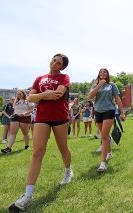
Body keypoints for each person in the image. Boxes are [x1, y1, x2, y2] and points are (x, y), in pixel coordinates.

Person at [9, 54, 73, 211]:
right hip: (41, 118)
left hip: (60, 117)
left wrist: (40, 96)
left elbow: (58, 94)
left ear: (62, 67)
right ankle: (28, 195)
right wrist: (44, 95)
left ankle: (67, 171)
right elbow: (31, 97)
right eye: (54, 60)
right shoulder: (39, 78)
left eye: (58, 62)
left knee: (62, 147)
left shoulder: (64, 77)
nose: (54, 63)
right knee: (37, 152)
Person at [88, 68, 125, 173]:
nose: (103, 73)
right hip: (98, 111)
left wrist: (122, 112)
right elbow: (90, 97)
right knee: (105, 134)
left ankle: (103, 163)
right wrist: (99, 85)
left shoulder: (112, 85)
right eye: (101, 72)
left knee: (104, 135)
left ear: (107, 74)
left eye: (105, 72)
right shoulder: (95, 85)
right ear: (98, 74)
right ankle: (109, 152)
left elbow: (117, 99)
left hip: (109, 110)